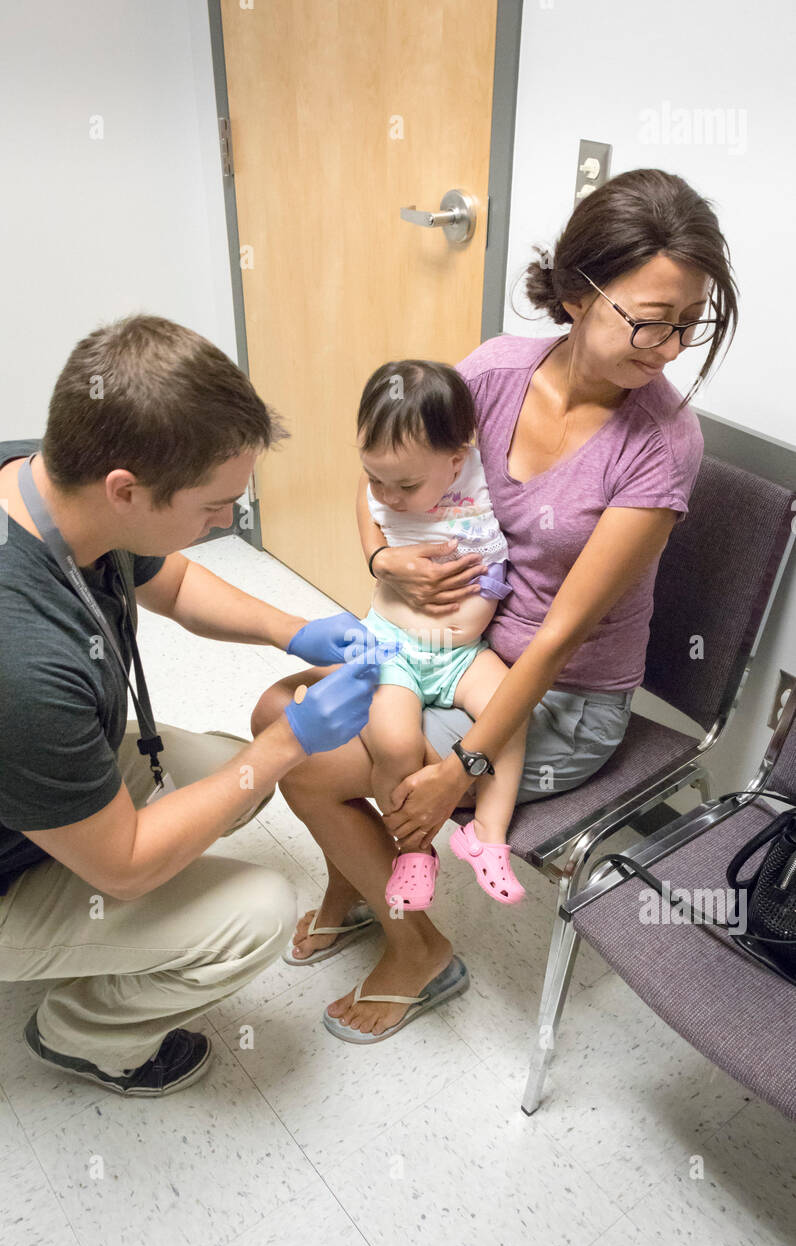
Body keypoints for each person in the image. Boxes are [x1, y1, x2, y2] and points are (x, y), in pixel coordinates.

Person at [251, 167, 738, 1044]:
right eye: (648, 319)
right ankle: (357, 882)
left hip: (558, 697)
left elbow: (555, 639)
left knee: (303, 760)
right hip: (450, 648)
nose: (666, 348)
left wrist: (464, 769)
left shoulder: (662, 446)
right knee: (275, 709)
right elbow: (387, 479)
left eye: (686, 326)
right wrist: (382, 556)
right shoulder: (494, 371)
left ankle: (419, 951)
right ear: (581, 289)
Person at [0, 315, 379, 1097]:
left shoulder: (40, 478)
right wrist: (287, 742)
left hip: (35, 788)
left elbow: (166, 580)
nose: (223, 524)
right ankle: (85, 1038)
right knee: (259, 909)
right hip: (18, 858)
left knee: (210, 770)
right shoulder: (24, 662)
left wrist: (293, 628)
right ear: (126, 490)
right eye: (214, 507)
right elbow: (126, 868)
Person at [355, 359, 528, 910]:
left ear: (456, 462)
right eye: (374, 475)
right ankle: (412, 849)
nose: (386, 494)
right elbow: (363, 501)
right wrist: (379, 554)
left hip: (462, 654)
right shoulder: (379, 486)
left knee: (512, 711)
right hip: (393, 649)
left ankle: (487, 836)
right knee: (395, 743)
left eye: (404, 484)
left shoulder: (482, 472)